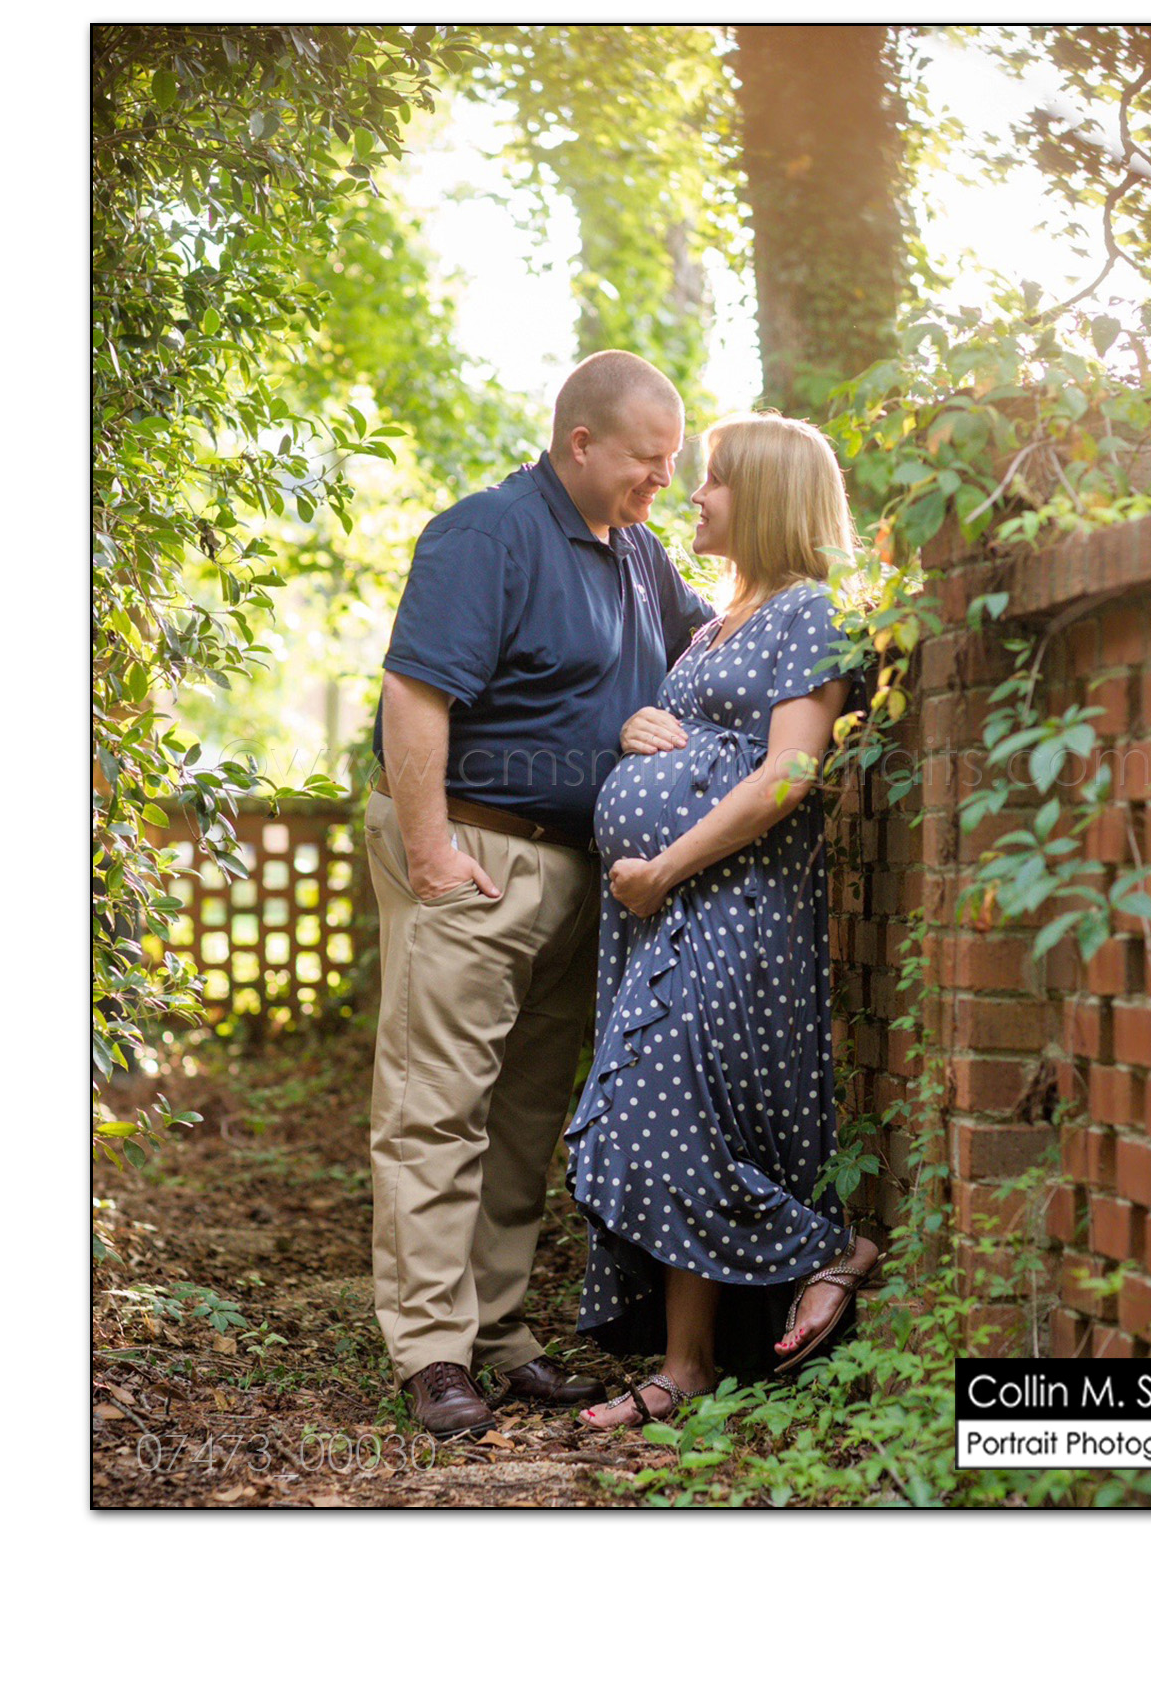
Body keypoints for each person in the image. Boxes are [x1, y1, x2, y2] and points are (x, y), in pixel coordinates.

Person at [364, 350, 714, 1437]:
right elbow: (414, 693)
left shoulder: (640, 555)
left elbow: (719, 646)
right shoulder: (487, 533)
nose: (663, 481)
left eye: (673, 462)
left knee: (522, 1116)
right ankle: (432, 1351)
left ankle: (498, 1334)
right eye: (648, 460)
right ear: (581, 442)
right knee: (437, 1106)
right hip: (474, 848)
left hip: (576, 875)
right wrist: (429, 852)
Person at [565, 410, 881, 1429]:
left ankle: (828, 1247)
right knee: (678, 1120)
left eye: (712, 479)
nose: (692, 496)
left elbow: (789, 772)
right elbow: (700, 734)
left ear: (768, 496)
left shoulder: (809, 614)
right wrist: (637, 727)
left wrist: (663, 865)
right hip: (670, 910)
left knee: (650, 1109)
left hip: (735, 901)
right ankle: (687, 1363)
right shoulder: (715, 623)